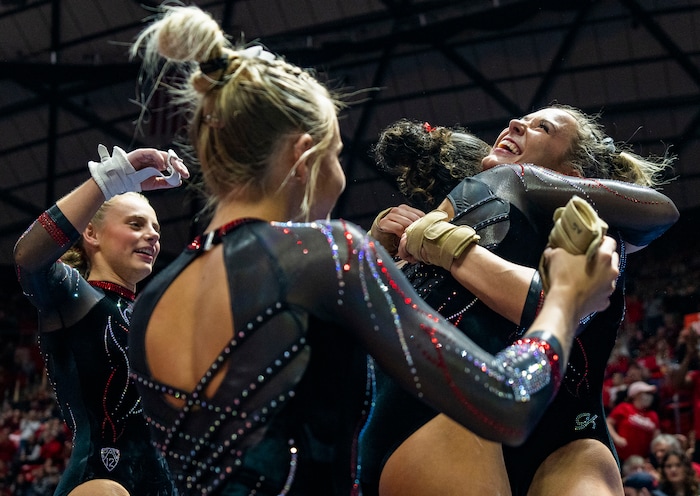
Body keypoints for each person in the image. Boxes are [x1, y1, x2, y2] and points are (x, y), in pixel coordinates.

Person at [123, 5, 620, 496]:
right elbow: (504, 402)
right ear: (304, 157)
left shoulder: (150, 300)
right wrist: (565, 302)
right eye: (337, 154)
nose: (340, 175)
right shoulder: (329, 252)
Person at [361, 113, 679, 496]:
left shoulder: (593, 228)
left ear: (573, 171)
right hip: (450, 405)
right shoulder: (475, 201)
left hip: (565, 436)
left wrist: (450, 247)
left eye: (543, 128)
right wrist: (377, 247)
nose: (513, 123)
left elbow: (561, 302)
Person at [13, 145, 190, 496]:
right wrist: (107, 183)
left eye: (156, 228)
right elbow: (28, 259)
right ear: (91, 235)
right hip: (101, 482)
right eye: (136, 224)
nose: (154, 235)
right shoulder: (74, 296)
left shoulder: (154, 319)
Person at [607, 381, 662, 464]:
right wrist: (616, 438)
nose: (649, 397)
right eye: (646, 393)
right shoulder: (624, 407)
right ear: (635, 394)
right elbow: (608, 423)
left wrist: (652, 454)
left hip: (642, 460)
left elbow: (656, 436)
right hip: (621, 458)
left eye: (650, 394)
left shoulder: (653, 415)